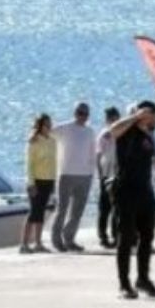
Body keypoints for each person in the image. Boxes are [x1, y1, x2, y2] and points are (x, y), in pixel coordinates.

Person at [109, 102, 155, 300]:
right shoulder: (127, 131)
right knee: (125, 238)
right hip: (126, 190)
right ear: (145, 115)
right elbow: (112, 131)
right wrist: (135, 117)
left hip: (145, 191)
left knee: (147, 236)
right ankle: (124, 284)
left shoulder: (148, 135)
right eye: (154, 117)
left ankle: (143, 279)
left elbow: (154, 157)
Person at [50, 102, 96, 252]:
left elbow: (92, 152)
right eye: (80, 113)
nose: (83, 116)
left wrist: (91, 172)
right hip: (66, 173)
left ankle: (69, 239)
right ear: (75, 113)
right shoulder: (65, 128)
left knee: (77, 211)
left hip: (85, 175)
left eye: (86, 114)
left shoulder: (90, 131)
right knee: (62, 209)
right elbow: (47, 133)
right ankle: (56, 240)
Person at [21, 114, 57, 254]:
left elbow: (54, 163)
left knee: (41, 212)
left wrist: (54, 181)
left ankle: (38, 243)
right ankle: (24, 244)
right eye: (46, 125)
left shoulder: (52, 141)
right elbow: (29, 165)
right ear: (40, 126)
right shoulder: (34, 142)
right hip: (36, 181)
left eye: (50, 124)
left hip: (48, 180)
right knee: (34, 212)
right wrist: (31, 183)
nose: (49, 127)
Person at [96, 106, 122, 249]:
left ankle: (116, 235)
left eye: (115, 117)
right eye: (111, 118)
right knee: (105, 207)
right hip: (106, 174)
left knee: (117, 207)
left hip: (119, 174)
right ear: (107, 119)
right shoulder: (104, 134)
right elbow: (98, 155)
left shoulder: (123, 132)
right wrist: (100, 175)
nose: (113, 120)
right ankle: (103, 236)